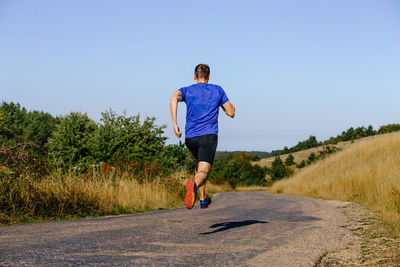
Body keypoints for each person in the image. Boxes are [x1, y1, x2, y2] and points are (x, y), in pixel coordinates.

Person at [170, 64, 235, 209]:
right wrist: (226, 105)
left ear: (194, 76)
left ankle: (203, 198)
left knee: (199, 164)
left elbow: (174, 98)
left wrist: (175, 124)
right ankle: (193, 185)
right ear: (209, 77)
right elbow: (231, 113)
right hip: (208, 137)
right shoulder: (217, 89)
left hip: (190, 138)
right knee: (203, 171)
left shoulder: (186, 90)